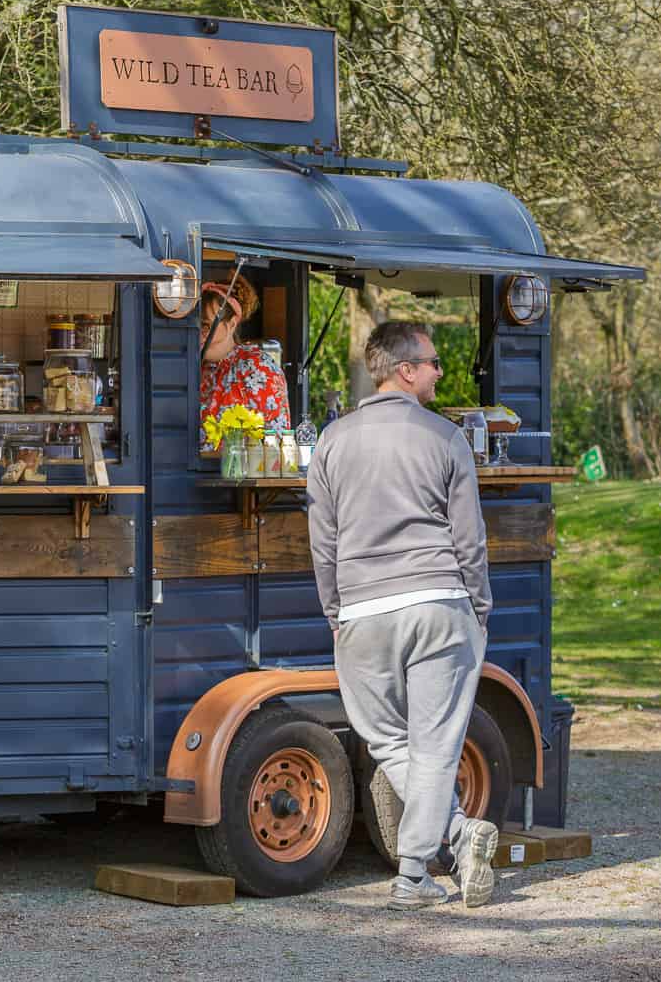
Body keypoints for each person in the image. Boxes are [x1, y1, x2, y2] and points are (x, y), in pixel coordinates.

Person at [305, 320, 498, 911]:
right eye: (434, 363)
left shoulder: (332, 441)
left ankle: (445, 852)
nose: (441, 371)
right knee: (436, 744)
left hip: (363, 607)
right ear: (405, 370)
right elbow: (469, 538)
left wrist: (335, 609)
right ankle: (424, 865)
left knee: (390, 742)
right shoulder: (446, 438)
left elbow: (323, 540)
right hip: (439, 600)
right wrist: (480, 605)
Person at [198, 276, 292, 449]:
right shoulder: (198, 367)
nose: (199, 336)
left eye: (205, 326)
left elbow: (273, 443)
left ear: (232, 324)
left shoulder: (257, 367)